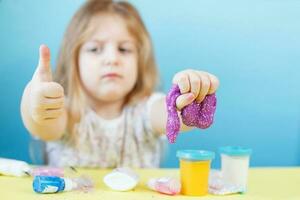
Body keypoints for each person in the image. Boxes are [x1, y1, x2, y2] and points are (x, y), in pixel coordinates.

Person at [20, 0, 219, 168]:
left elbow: (169, 113)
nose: (112, 58)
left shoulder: (146, 112)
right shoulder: (67, 111)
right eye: (95, 49)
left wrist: (187, 99)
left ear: (140, 62)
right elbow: (43, 123)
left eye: (124, 49)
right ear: (74, 60)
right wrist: (34, 101)